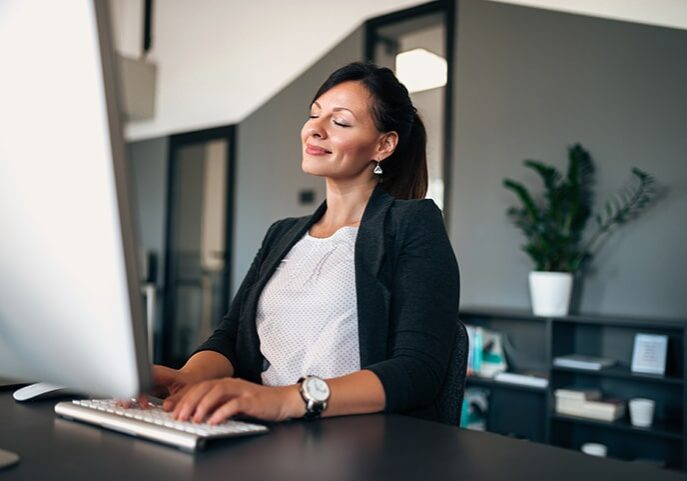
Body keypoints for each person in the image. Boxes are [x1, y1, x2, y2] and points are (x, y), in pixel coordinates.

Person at [148, 62, 460, 425]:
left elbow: (417, 369)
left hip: (354, 437)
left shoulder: (413, 224)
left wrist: (287, 399)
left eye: (340, 122)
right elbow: (231, 338)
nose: (316, 129)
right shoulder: (282, 234)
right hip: (261, 430)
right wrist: (186, 377)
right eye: (314, 115)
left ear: (384, 144)